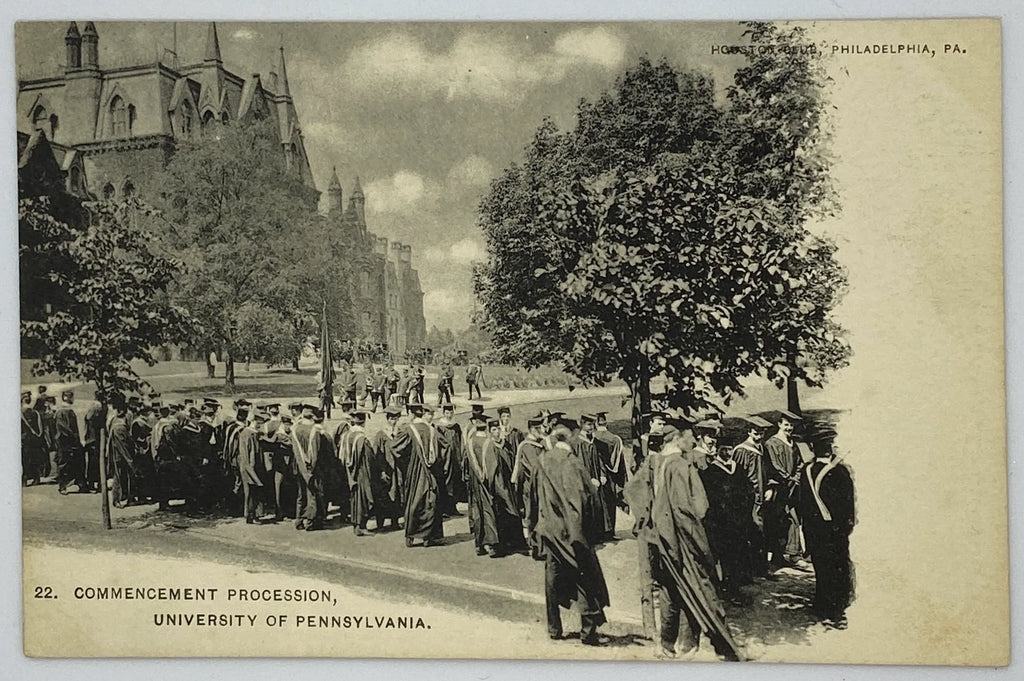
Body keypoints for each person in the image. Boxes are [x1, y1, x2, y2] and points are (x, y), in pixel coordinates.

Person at [644, 424, 742, 660]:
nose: (694, 442)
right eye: (690, 437)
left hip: (661, 539)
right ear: (677, 439)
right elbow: (694, 508)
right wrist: (700, 540)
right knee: (698, 589)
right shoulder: (680, 465)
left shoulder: (655, 463)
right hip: (683, 540)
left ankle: (667, 644)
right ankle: (712, 647)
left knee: (670, 590)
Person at [535, 422, 610, 645]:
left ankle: (554, 628)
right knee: (584, 578)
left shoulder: (542, 460)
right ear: (571, 438)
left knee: (552, 579)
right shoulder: (574, 464)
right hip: (573, 533)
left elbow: (531, 495)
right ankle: (588, 632)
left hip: (549, 531)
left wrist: (535, 526)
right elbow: (588, 501)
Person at [797, 422, 855, 627]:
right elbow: (848, 505)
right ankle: (837, 611)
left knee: (821, 566)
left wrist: (806, 529)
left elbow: (801, 503)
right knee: (837, 567)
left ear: (813, 447)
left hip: (815, 530)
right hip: (835, 530)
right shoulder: (840, 471)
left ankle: (823, 604)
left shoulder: (806, 471)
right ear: (829, 446)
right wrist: (846, 527)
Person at [694, 420, 755, 603]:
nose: (727, 453)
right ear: (718, 450)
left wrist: (743, 513)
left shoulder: (739, 470)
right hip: (719, 524)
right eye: (724, 450)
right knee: (721, 557)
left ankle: (733, 589)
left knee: (735, 557)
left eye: (730, 449)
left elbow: (749, 493)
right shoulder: (710, 472)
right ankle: (723, 590)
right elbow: (709, 499)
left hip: (738, 522)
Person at [467, 416, 527, 557]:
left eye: (498, 429)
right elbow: (495, 469)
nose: (497, 431)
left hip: (478, 484)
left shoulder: (472, 443)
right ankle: (494, 545)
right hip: (495, 484)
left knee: (480, 513)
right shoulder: (491, 445)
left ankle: (480, 544)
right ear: (488, 430)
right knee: (492, 513)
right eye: (494, 429)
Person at [393, 403, 444, 547]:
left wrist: (407, 462)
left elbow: (396, 448)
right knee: (430, 499)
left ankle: (411, 535)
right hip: (431, 471)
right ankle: (428, 537)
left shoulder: (409, 430)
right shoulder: (432, 430)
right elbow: (443, 450)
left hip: (415, 470)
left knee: (414, 500)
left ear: (412, 414)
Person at [731, 415, 773, 578]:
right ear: (749, 432)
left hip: (762, 497)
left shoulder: (762, 449)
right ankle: (752, 569)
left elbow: (767, 471)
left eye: (761, 432)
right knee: (753, 531)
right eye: (756, 432)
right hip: (749, 497)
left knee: (761, 532)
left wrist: (769, 488)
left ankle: (760, 568)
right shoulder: (742, 450)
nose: (759, 435)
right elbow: (737, 476)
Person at [764, 410, 803, 570]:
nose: (789, 428)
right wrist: (789, 477)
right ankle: (777, 556)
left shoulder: (793, 444)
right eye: (786, 425)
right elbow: (774, 465)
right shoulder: (771, 443)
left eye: (791, 426)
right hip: (778, 488)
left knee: (793, 519)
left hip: (792, 489)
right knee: (778, 522)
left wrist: (797, 476)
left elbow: (800, 463)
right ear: (780, 424)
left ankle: (794, 554)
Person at [575, 414, 616, 542]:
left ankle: (601, 533)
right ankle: (590, 535)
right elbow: (579, 464)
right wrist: (589, 479)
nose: (591, 427)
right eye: (588, 424)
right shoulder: (578, 442)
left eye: (592, 424)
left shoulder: (594, 441)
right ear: (582, 424)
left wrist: (603, 475)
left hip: (598, 479)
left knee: (600, 505)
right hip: (585, 481)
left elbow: (600, 460)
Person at [511, 416, 547, 560]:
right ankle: (536, 548)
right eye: (539, 429)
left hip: (539, 486)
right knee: (533, 516)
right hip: (531, 488)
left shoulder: (538, 444)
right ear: (533, 429)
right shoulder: (527, 446)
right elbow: (534, 468)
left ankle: (540, 546)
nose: (542, 431)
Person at [338, 410, 375, 536]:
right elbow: (369, 458)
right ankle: (361, 526)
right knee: (363, 498)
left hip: (349, 471)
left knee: (354, 498)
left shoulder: (347, 435)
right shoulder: (361, 439)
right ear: (363, 423)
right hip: (361, 471)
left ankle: (355, 524)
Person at [292, 404, 325, 531]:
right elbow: (314, 453)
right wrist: (312, 468)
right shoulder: (314, 431)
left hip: (299, 467)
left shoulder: (295, 429)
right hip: (311, 468)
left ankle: (299, 520)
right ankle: (310, 522)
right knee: (312, 494)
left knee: (301, 494)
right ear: (312, 416)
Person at [371, 406, 404, 531]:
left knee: (397, 495)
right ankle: (380, 523)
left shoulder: (399, 433)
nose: (394, 421)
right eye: (391, 419)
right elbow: (377, 454)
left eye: (395, 419)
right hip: (385, 470)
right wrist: (382, 471)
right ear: (387, 419)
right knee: (383, 496)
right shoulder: (381, 434)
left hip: (397, 471)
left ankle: (395, 522)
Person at [434, 402, 466, 514]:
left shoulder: (456, 426)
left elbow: (461, 441)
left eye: (451, 412)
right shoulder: (439, 427)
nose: (449, 415)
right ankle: (445, 508)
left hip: (455, 457)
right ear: (443, 413)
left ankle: (453, 507)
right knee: (446, 481)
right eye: (447, 412)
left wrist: (461, 456)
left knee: (456, 481)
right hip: (445, 458)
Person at [593, 412, 627, 508]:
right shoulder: (616, 439)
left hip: (596, 476)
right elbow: (621, 465)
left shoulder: (592, 438)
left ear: (596, 424)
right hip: (612, 478)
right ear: (606, 423)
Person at [237, 410, 266, 524]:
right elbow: (245, 456)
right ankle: (250, 516)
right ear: (253, 421)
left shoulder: (254, 433)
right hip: (249, 467)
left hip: (255, 467)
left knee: (255, 492)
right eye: (258, 422)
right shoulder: (246, 434)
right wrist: (251, 471)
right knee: (250, 492)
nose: (260, 425)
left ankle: (254, 515)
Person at [107, 397, 137, 508]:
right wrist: (130, 461)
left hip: (118, 454)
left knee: (122, 477)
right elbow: (122, 446)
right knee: (118, 478)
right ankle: (116, 500)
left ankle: (127, 497)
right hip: (119, 456)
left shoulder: (114, 421)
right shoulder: (120, 428)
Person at [54, 389, 84, 495]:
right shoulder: (62, 411)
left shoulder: (68, 410)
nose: (73, 399)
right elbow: (64, 429)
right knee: (64, 464)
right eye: (71, 397)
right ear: (66, 398)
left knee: (77, 461)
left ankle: (80, 484)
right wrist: (74, 439)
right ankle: (62, 486)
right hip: (65, 442)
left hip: (71, 441)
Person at [21, 391, 46, 486]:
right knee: (29, 459)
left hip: (29, 440)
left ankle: (30, 478)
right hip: (30, 439)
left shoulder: (32, 412)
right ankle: (32, 478)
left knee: (30, 459)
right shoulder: (34, 412)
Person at [82, 399, 106, 493]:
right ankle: (93, 484)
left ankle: (95, 484)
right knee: (94, 464)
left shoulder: (89, 416)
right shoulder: (94, 418)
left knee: (94, 464)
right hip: (94, 441)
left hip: (91, 441)